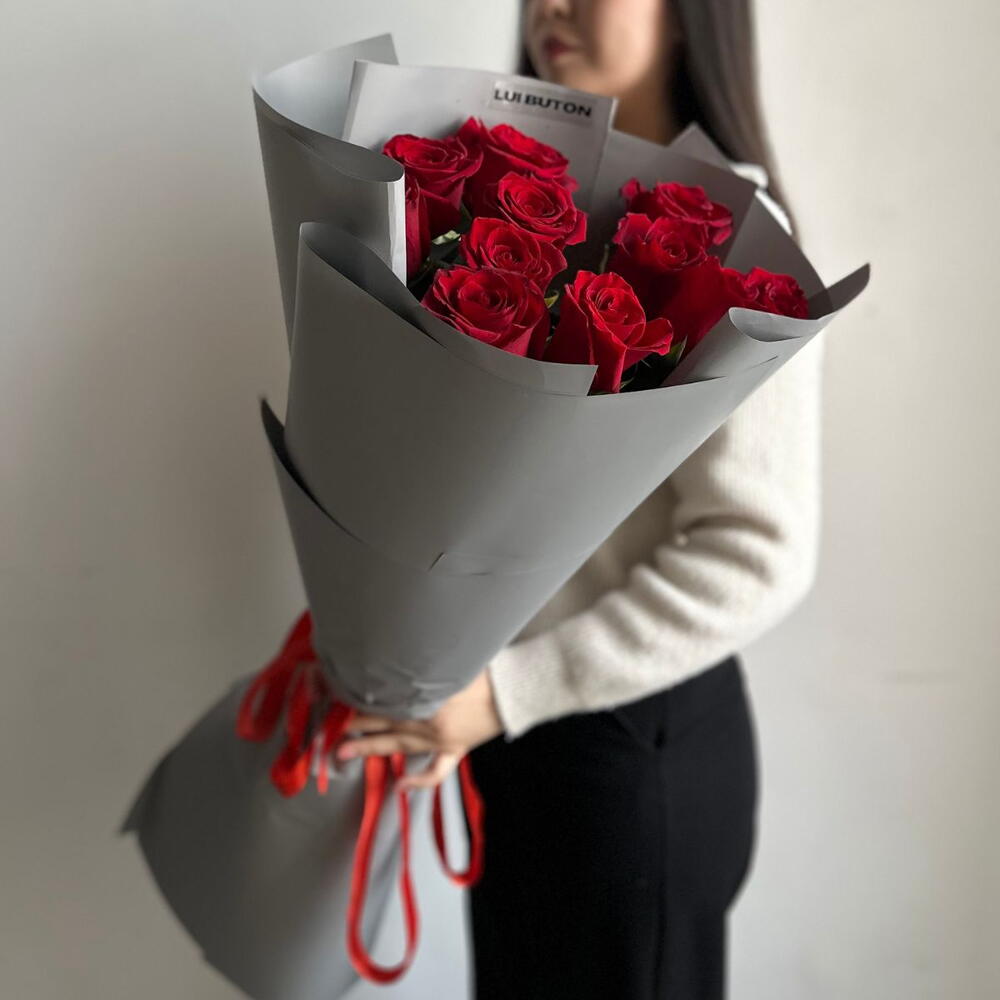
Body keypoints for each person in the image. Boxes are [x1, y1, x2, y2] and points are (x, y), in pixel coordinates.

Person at [333, 0, 825, 996]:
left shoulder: (744, 236)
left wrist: (507, 693)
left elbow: (761, 550)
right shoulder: (536, 210)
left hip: (627, 747)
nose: (551, 5)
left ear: (689, 16)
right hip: (510, 736)